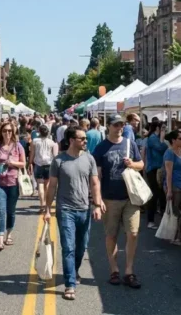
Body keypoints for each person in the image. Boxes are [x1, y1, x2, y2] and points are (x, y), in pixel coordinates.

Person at [45, 125, 102, 301]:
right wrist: (47, 209)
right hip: (65, 210)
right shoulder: (59, 160)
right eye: (82, 138)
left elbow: (94, 183)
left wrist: (97, 204)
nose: (86, 141)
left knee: (81, 247)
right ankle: (70, 284)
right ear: (71, 140)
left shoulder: (89, 159)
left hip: (84, 209)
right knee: (68, 247)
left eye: (85, 138)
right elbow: (52, 186)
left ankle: (74, 270)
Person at [92, 114, 144, 289]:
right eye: (116, 125)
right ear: (109, 127)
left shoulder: (130, 144)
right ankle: (114, 269)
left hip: (131, 197)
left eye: (121, 125)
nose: (119, 128)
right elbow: (96, 177)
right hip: (110, 198)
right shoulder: (100, 148)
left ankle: (129, 271)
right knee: (111, 235)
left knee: (133, 233)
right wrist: (97, 201)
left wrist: (132, 164)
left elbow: (142, 164)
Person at [0, 122, 26, 251]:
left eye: (10, 131)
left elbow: (23, 163)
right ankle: (0, 239)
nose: (7, 133)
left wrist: (13, 163)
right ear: (1, 132)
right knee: (0, 211)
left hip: (13, 182)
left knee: (11, 211)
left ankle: (9, 234)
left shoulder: (18, 146)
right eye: (5, 131)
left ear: (13, 132)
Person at [163, 130, 181, 245]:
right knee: (175, 212)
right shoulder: (169, 153)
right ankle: (173, 237)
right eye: (180, 138)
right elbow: (168, 173)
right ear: (173, 140)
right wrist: (169, 190)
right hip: (174, 186)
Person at [145, 122, 168, 229]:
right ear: (157, 128)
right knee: (155, 194)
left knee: (160, 194)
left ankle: (159, 217)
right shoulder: (153, 138)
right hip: (153, 169)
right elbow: (161, 148)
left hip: (157, 169)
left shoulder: (155, 138)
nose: (165, 130)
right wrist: (163, 140)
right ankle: (150, 220)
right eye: (163, 128)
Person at [30, 124, 58, 213]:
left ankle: (42, 204)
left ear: (39, 131)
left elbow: (32, 154)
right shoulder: (52, 142)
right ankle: (47, 205)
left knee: (40, 185)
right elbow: (55, 155)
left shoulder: (34, 141)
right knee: (47, 186)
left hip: (38, 164)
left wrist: (29, 163)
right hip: (49, 165)